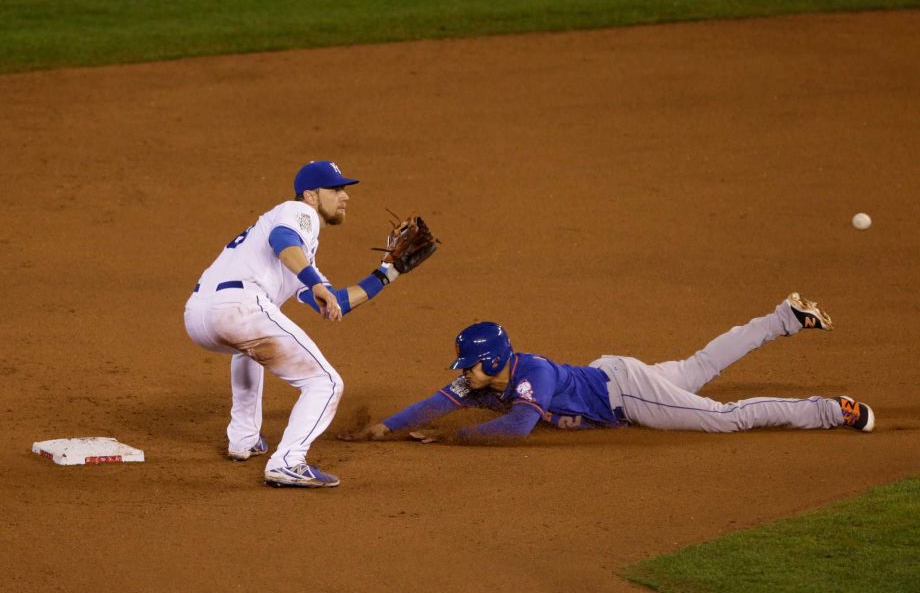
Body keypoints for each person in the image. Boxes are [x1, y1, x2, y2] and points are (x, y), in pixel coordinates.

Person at [344, 293, 875, 443]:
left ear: (490, 362)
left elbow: (517, 426)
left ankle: (830, 410)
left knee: (722, 416)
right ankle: (784, 317)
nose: (463, 374)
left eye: (469, 367)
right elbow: (438, 402)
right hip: (612, 375)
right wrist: (387, 428)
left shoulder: (531, 376)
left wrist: (451, 441)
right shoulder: (488, 374)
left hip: (626, 393)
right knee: (696, 367)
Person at [184, 160, 411, 488]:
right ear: (311, 196)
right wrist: (314, 283)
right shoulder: (297, 212)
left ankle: (243, 439)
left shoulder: (300, 254)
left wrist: (388, 273)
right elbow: (283, 239)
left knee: (249, 350)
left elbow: (337, 303)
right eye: (335, 190)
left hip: (199, 316)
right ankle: (288, 461)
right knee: (326, 383)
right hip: (240, 307)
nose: (344, 196)